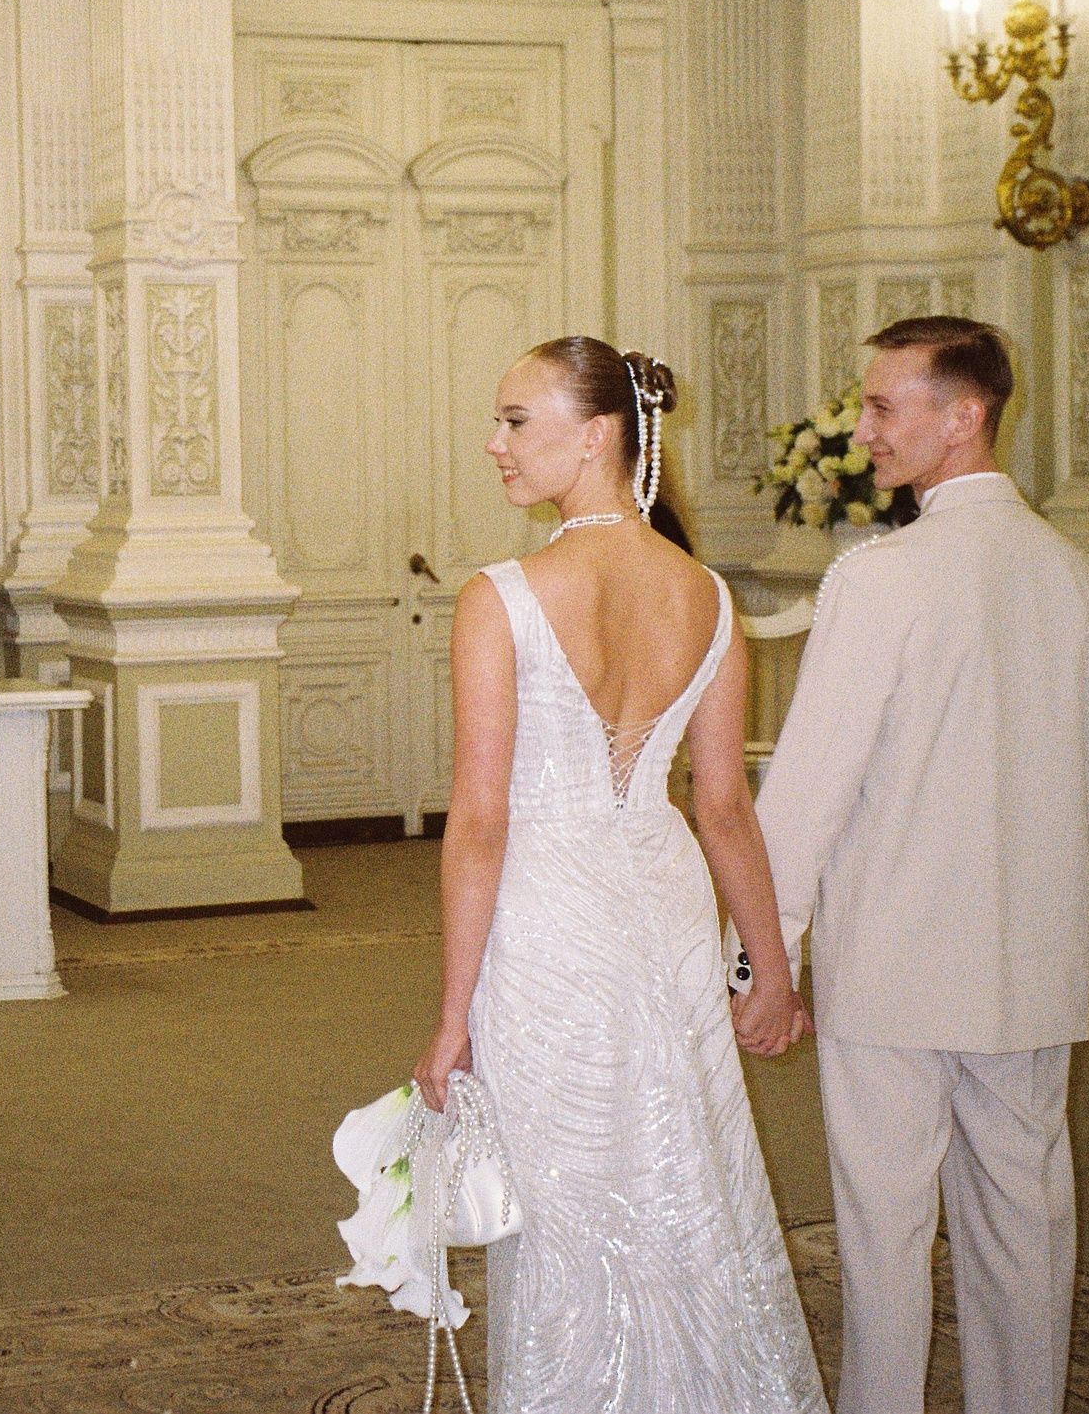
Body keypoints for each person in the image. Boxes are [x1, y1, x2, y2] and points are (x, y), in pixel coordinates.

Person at [412, 336, 828, 1414]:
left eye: (515, 420)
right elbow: (724, 808)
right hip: (662, 893)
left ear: (596, 434)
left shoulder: (499, 596)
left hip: (548, 911)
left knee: (569, 1193)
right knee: (680, 1162)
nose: (493, 442)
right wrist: (769, 973)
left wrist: (451, 1018)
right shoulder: (708, 595)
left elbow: (481, 825)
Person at [752, 316, 1089, 1414]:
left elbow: (810, 789)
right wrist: (1073, 953)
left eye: (881, 407)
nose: (860, 428)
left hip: (895, 969)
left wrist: (761, 959)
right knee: (1025, 1229)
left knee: (882, 1236)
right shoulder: (1086, 589)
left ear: (961, 418)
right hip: (1035, 972)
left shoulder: (882, 580)